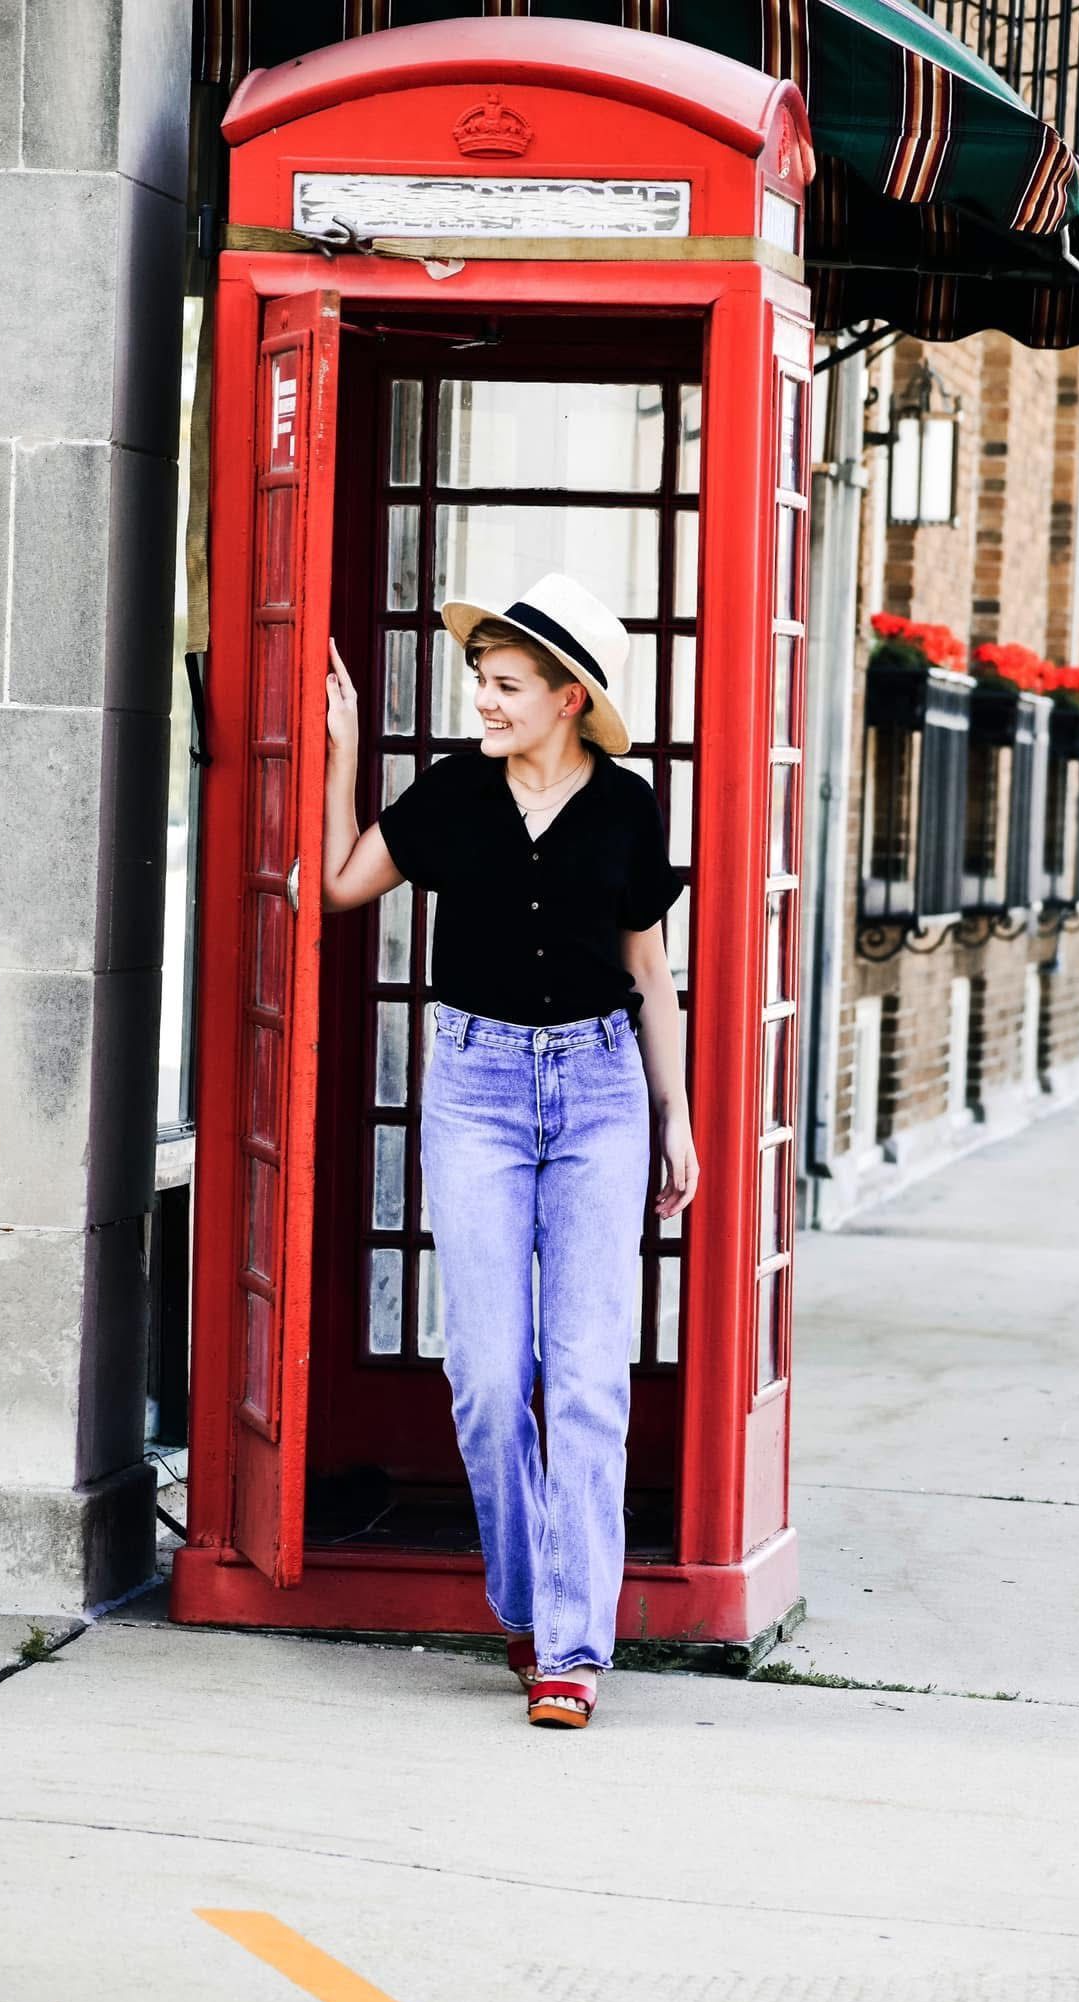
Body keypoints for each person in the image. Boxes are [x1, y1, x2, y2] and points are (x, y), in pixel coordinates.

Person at [321, 572, 700, 1730]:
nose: (481, 701)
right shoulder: (450, 796)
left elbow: (647, 971)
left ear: (566, 695)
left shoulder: (629, 809)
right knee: (489, 1378)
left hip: (597, 1090)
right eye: (479, 681)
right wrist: (343, 752)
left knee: (586, 1380)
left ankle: (572, 1651)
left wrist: (672, 1112)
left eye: (502, 684)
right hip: (476, 1084)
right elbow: (337, 885)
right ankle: (527, 1605)